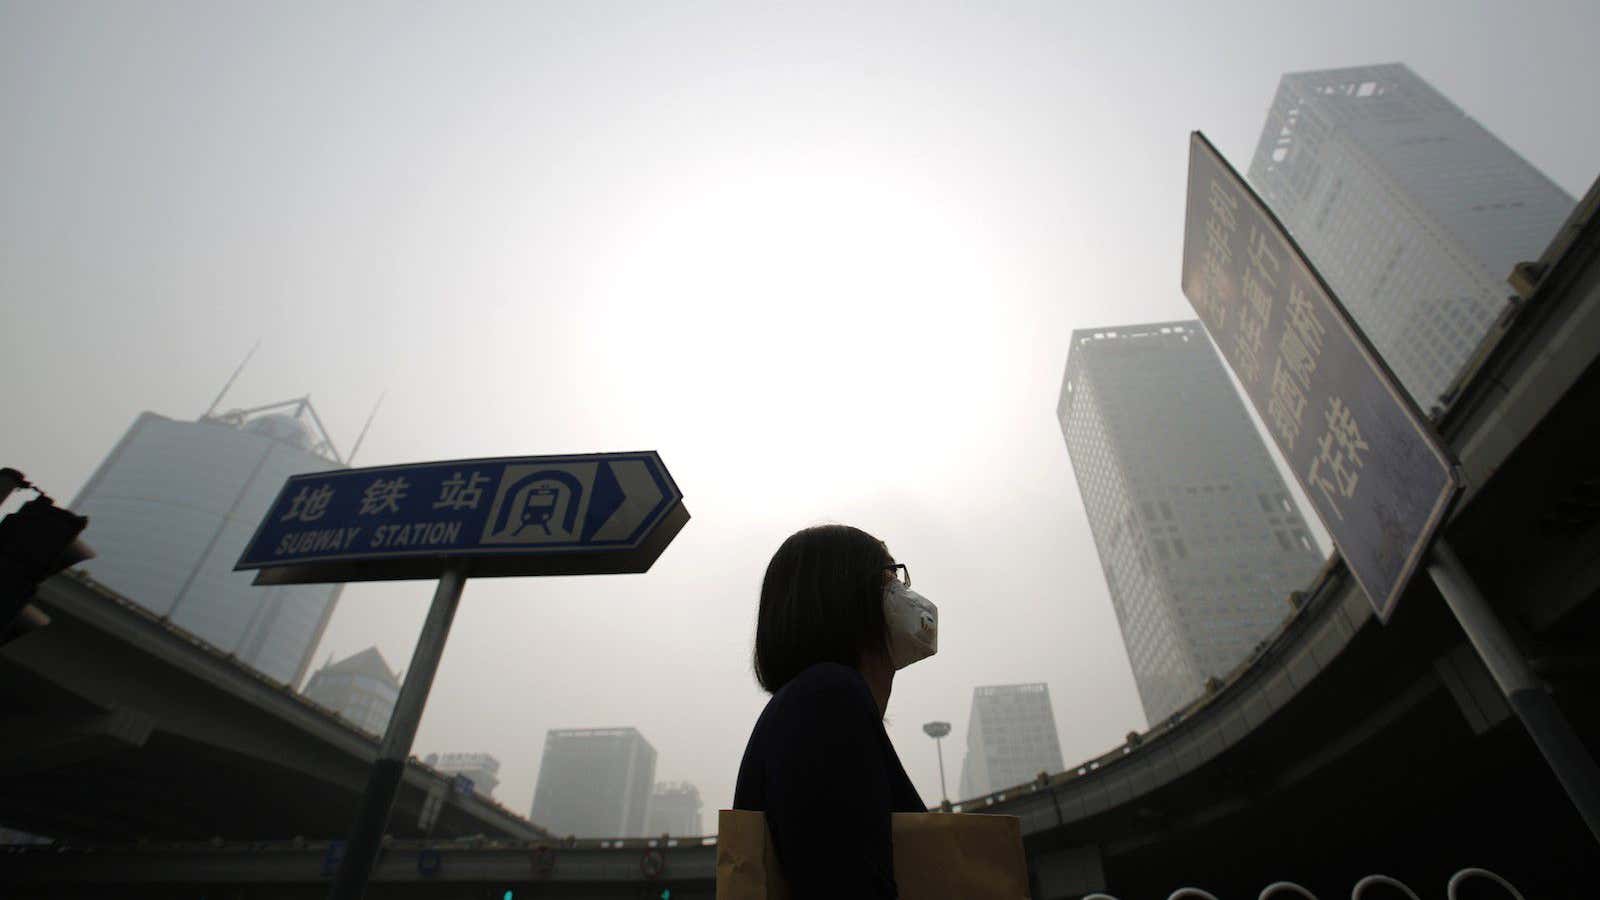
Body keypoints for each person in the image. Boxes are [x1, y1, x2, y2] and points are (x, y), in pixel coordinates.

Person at [733, 524, 940, 897]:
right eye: (891, 580)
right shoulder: (826, 700)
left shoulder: (814, 704)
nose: (907, 595)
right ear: (845, 597)